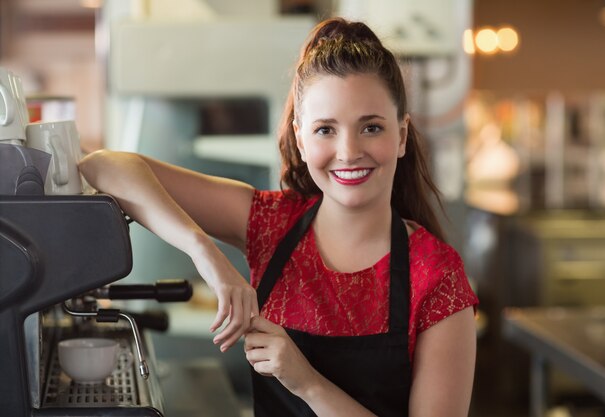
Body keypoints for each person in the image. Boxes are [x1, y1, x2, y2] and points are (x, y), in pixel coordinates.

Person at [80, 17, 478, 417]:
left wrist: (305, 382)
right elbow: (104, 167)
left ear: (403, 135)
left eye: (371, 127)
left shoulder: (438, 278)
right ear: (301, 139)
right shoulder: (271, 223)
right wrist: (205, 253)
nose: (348, 150)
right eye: (326, 130)